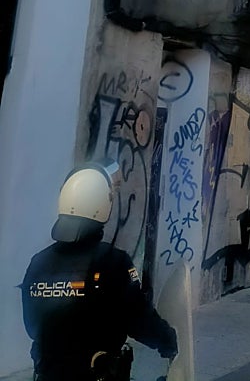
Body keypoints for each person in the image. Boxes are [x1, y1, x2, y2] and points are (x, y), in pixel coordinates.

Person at [22, 161, 177, 381]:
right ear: (102, 205)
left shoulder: (38, 262)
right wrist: (168, 341)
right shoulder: (113, 262)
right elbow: (139, 319)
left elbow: (31, 326)